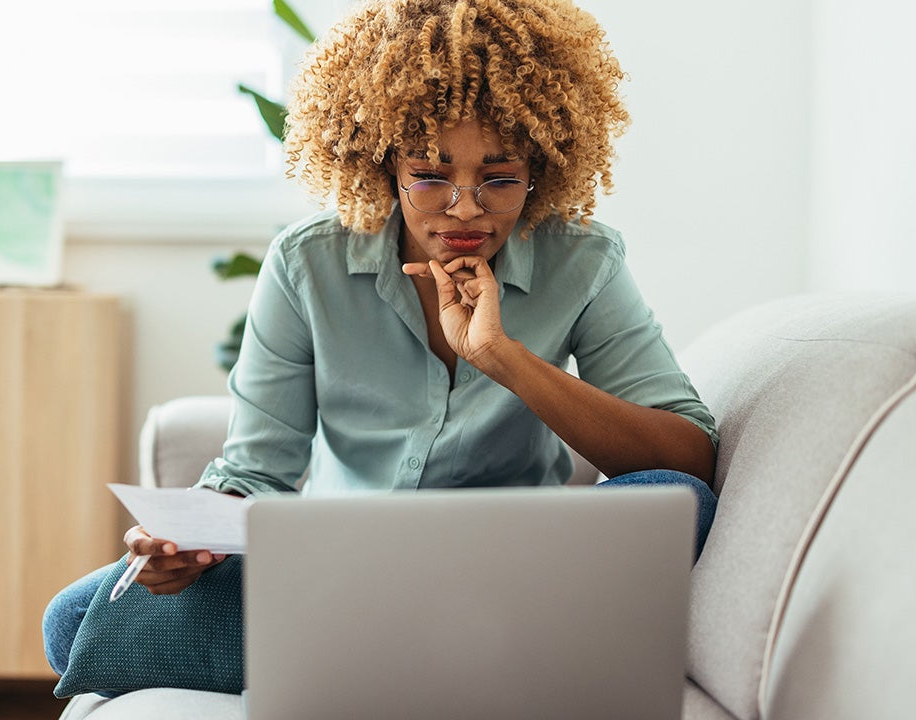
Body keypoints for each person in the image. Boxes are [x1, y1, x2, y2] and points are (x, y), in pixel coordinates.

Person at [44, 0, 717, 689]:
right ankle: (456, 656)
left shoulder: (583, 262)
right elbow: (255, 474)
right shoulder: (308, 264)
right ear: (383, 165)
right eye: (429, 175)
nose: (464, 207)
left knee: (672, 496)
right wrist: (190, 543)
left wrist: (503, 357)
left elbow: (689, 458)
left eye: (500, 176)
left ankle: (393, 654)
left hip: (511, 569)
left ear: (541, 166)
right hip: (342, 571)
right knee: (70, 623)